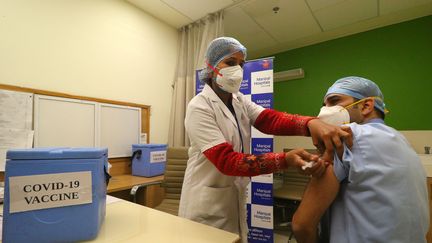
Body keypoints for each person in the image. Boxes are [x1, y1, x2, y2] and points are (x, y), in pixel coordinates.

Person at [178, 37, 352, 242]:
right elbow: (227, 161)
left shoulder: (239, 100)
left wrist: (310, 124)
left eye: (241, 65)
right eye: (231, 63)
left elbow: (268, 120)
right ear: (212, 65)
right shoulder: (199, 107)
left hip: (231, 197)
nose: (238, 70)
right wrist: (285, 159)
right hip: (205, 204)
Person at [292, 76, 429, 243]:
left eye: (334, 101)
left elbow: (302, 225)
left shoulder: (346, 136)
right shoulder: (402, 141)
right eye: (324, 105)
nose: (325, 111)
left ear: (366, 106)